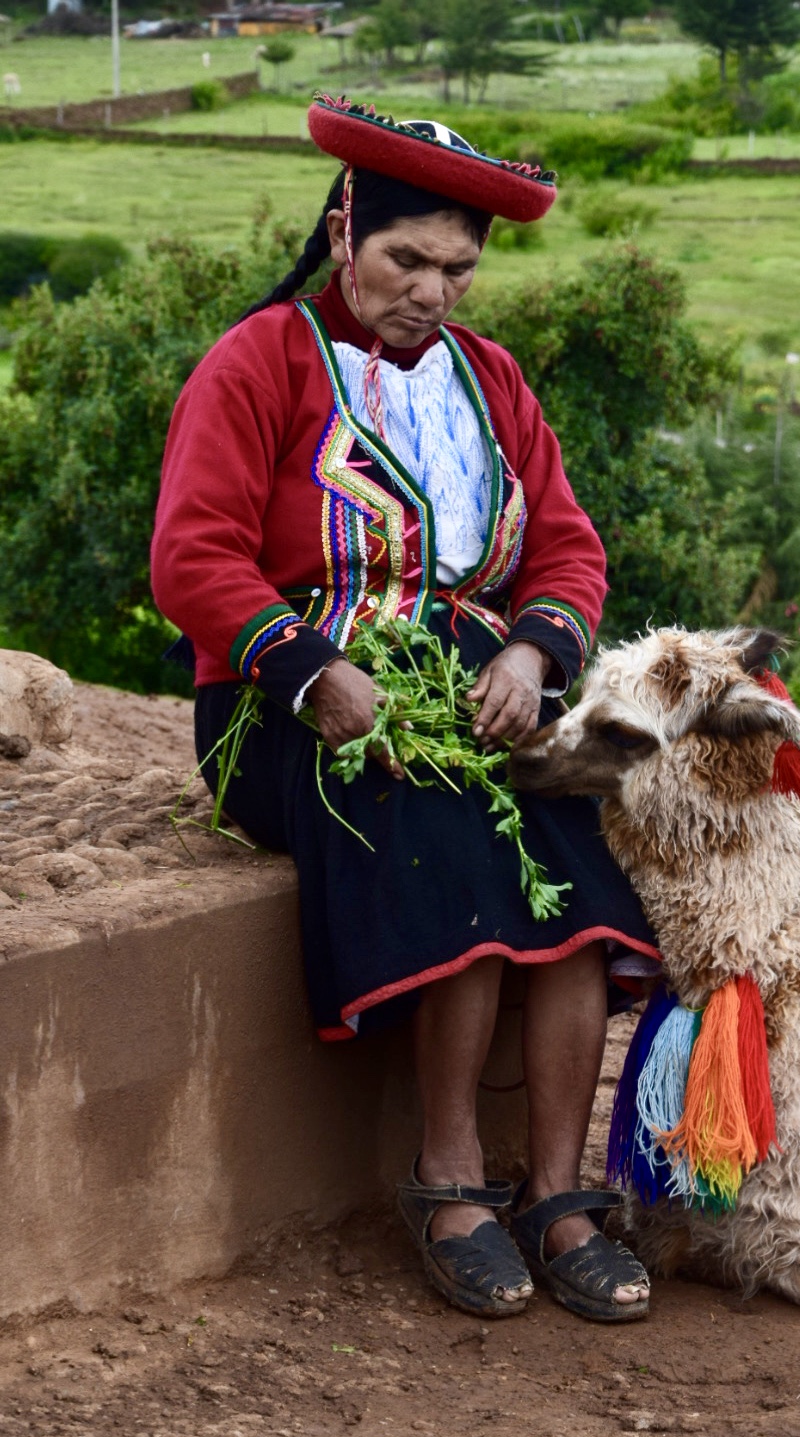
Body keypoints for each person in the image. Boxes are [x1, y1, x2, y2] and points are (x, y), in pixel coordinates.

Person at [151, 98, 660, 1324]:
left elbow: (570, 551)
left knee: (585, 863)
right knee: (452, 839)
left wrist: (536, 656)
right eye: (408, 260)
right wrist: (311, 668)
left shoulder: (493, 382)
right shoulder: (260, 361)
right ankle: (446, 1180)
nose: (434, 290)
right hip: (289, 707)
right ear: (344, 232)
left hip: (472, 689)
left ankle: (556, 1188)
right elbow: (193, 555)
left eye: (459, 269)